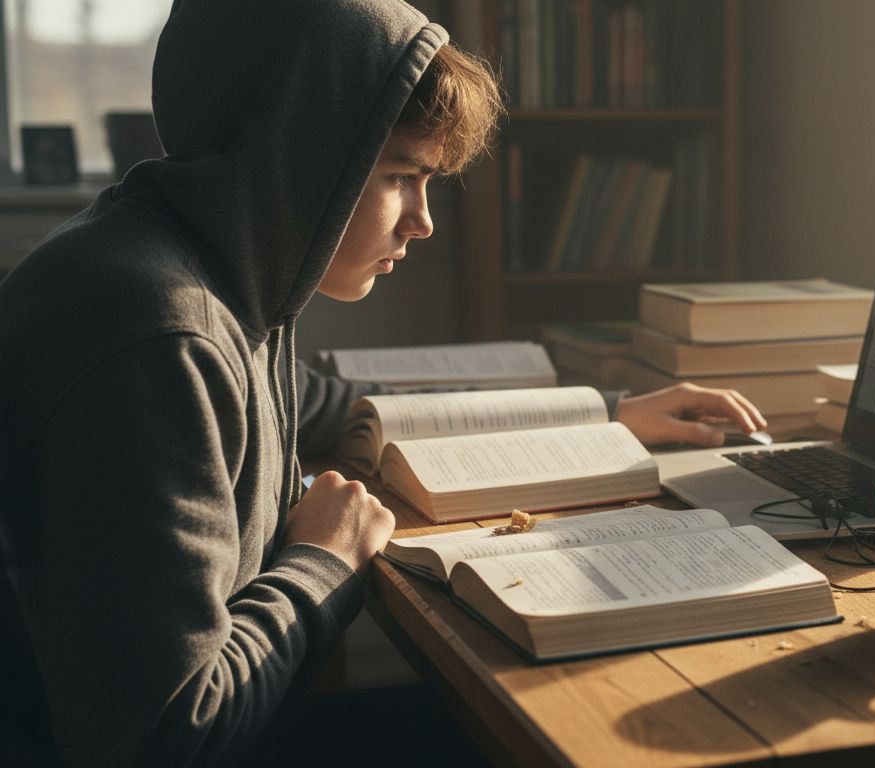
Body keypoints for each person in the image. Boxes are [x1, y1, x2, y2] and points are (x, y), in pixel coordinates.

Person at [0, 0, 765, 765]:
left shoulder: (207, 272)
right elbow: (168, 738)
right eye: (402, 175)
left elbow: (349, 411)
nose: (422, 221)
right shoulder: (157, 335)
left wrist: (608, 411)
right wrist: (324, 563)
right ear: (296, 154)